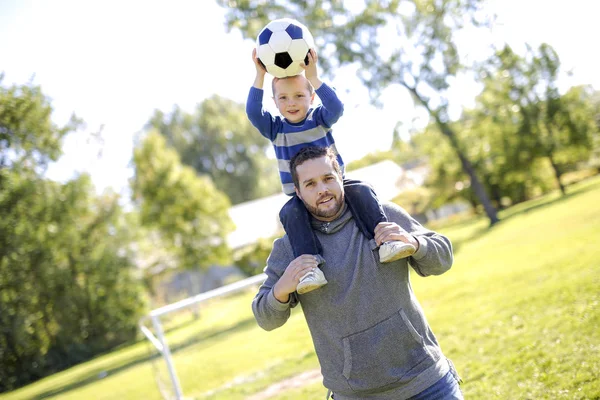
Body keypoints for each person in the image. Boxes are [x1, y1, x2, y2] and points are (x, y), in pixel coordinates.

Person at [252, 146, 463, 399]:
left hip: (427, 383)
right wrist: (282, 288)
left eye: (328, 178)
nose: (322, 190)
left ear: (341, 176)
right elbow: (265, 317)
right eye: (310, 184)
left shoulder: (383, 215)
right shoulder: (288, 250)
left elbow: (443, 259)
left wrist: (416, 244)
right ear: (297, 192)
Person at [246, 47, 415, 295]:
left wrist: (313, 76)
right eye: (283, 98)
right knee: (291, 213)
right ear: (275, 103)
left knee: (362, 190)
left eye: (299, 96)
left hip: (336, 185)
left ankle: (385, 240)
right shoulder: (275, 129)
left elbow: (336, 106)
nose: (291, 103)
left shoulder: (319, 119)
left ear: (311, 97)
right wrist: (259, 76)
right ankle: (310, 267)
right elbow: (253, 112)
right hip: (301, 197)